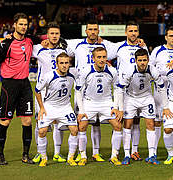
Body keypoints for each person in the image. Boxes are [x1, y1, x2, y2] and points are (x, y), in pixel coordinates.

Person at [0, 13, 39, 165]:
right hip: (9, 85)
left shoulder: (30, 40)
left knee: (27, 121)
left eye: (25, 24)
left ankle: (25, 155)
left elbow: (43, 38)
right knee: (5, 122)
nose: (23, 27)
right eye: (20, 24)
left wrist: (58, 39)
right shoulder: (6, 43)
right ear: (14, 25)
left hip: (25, 84)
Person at [66, 20, 115, 162]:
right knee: (79, 122)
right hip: (81, 89)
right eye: (90, 29)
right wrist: (43, 41)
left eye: (95, 29)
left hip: (97, 91)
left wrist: (140, 42)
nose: (93, 32)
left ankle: (95, 152)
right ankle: (74, 153)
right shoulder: (77, 44)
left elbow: (122, 46)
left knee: (96, 123)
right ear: (86, 31)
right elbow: (59, 42)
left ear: (98, 31)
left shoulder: (105, 45)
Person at [116, 49, 170, 165]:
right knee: (128, 124)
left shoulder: (153, 70)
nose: (142, 63)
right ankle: (127, 154)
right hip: (131, 98)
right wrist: (120, 109)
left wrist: (165, 107)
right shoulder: (130, 70)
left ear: (148, 60)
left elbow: (161, 87)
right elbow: (120, 89)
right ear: (135, 61)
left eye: (144, 60)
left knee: (151, 124)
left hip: (147, 98)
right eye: (140, 60)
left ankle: (151, 155)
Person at [75, 47, 123, 166]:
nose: (102, 60)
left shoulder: (112, 71)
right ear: (93, 58)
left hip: (106, 103)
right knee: (82, 125)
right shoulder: (85, 71)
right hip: (89, 102)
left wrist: (116, 107)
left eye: (104, 57)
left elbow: (118, 89)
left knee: (117, 125)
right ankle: (83, 156)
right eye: (99, 57)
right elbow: (78, 91)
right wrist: (81, 110)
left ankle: (114, 156)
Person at [31, 22, 69, 164]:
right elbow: (25, 43)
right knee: (39, 122)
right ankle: (40, 153)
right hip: (42, 92)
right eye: (52, 33)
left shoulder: (64, 50)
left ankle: (57, 153)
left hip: (58, 91)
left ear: (60, 35)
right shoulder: (39, 49)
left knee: (57, 122)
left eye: (56, 34)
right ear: (47, 35)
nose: (54, 36)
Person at [111, 21, 148, 161]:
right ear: (126, 32)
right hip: (122, 90)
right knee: (123, 122)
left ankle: (134, 150)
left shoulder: (142, 46)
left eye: (135, 31)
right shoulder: (118, 47)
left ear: (138, 33)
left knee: (136, 121)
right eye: (130, 31)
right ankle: (117, 152)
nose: (133, 33)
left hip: (138, 90)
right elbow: (102, 55)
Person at [35, 52, 78, 167]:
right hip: (50, 106)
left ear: (70, 64)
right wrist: (42, 108)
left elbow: (88, 69)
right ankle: (43, 158)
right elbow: (37, 91)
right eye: (62, 63)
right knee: (42, 131)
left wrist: (107, 65)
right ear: (56, 64)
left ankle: (70, 158)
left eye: (67, 63)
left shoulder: (74, 73)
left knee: (74, 130)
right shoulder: (49, 76)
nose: (64, 65)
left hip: (65, 107)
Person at [149, 26, 173, 160]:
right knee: (157, 122)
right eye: (171, 36)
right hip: (159, 92)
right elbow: (150, 67)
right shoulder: (158, 50)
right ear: (166, 37)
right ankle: (154, 152)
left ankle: (171, 152)